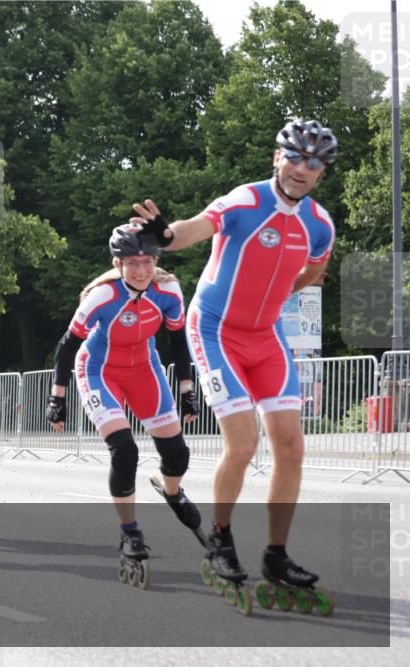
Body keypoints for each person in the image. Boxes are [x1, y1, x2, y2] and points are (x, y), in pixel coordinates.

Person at [128, 119, 337, 614]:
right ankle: (221, 539)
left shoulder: (319, 223)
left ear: (321, 173)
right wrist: (164, 235)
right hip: (215, 330)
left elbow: (316, 266)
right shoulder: (246, 200)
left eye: (314, 163)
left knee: (290, 447)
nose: (302, 169)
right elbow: (190, 231)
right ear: (276, 157)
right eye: (294, 157)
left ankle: (276, 555)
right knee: (242, 443)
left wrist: (289, 289)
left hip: (266, 338)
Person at [46, 226, 202, 589]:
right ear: (117, 264)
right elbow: (67, 345)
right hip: (99, 370)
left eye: (148, 261)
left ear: (156, 260)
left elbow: (178, 340)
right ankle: (129, 531)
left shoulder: (169, 290)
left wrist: (187, 389)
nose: (141, 270)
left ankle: (173, 492)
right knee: (125, 450)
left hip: (144, 369)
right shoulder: (102, 295)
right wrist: (58, 397)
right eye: (132, 263)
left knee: (177, 452)